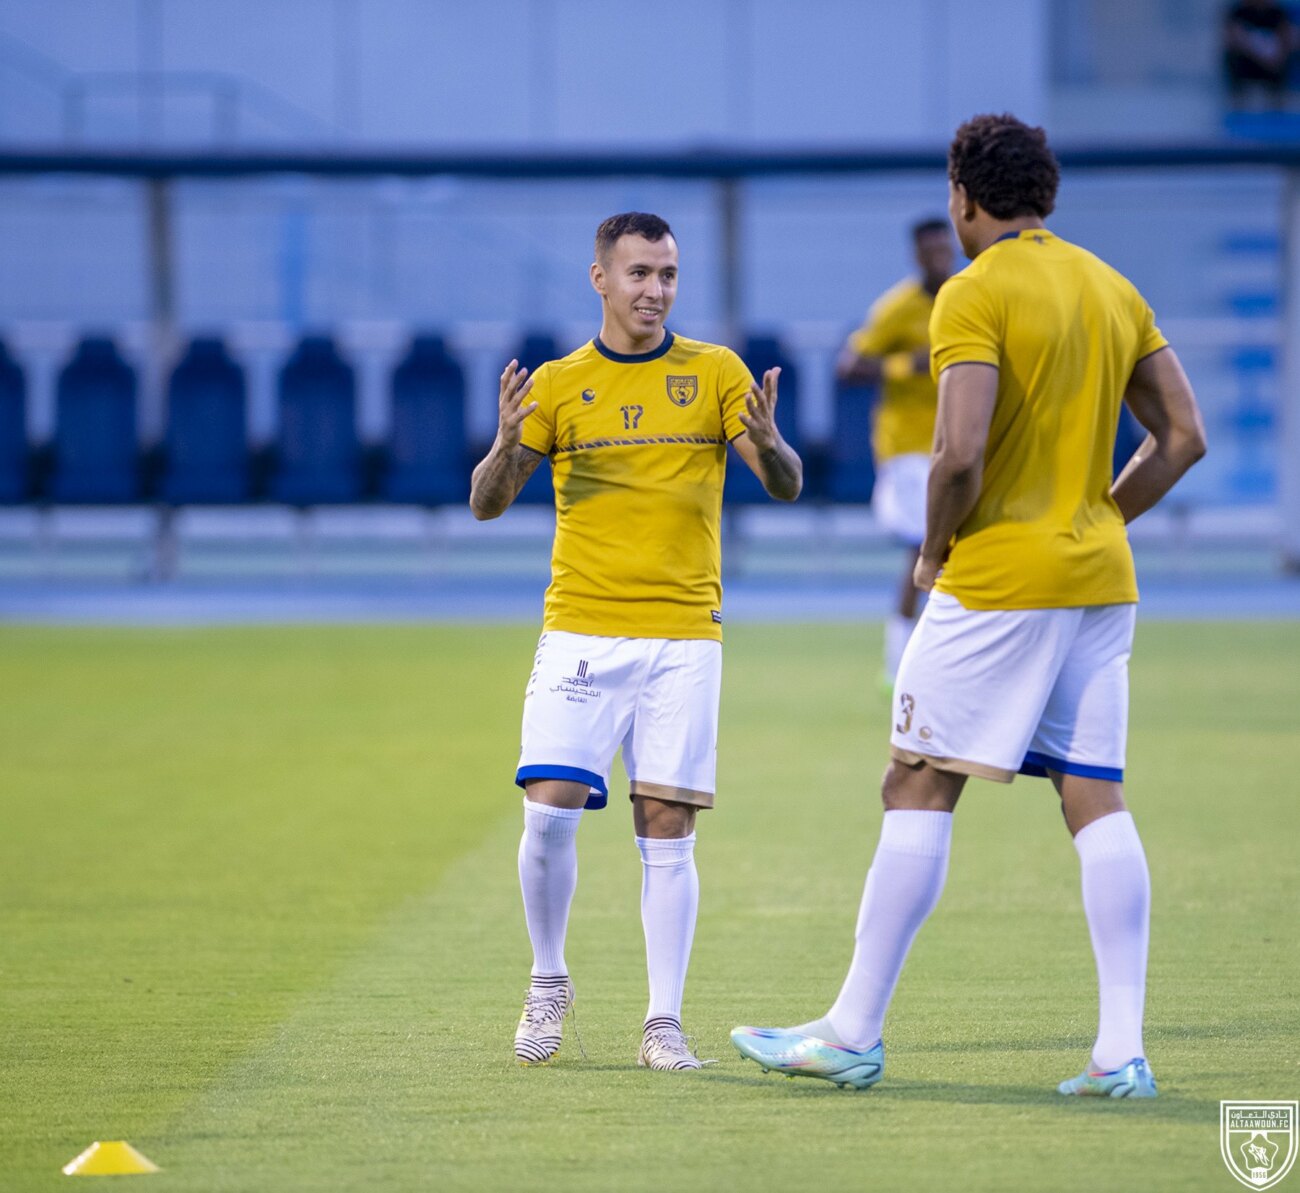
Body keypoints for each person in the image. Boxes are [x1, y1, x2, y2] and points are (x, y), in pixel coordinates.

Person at [731, 114, 1206, 1097]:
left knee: (914, 780)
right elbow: (1183, 436)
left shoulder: (971, 291)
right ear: (1047, 192)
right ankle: (1121, 1048)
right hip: (1098, 581)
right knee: (1092, 792)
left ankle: (852, 1031)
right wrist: (1097, 518)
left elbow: (956, 452)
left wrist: (935, 550)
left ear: (961, 196)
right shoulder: (1110, 285)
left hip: (997, 580)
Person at [470, 211, 802, 1071]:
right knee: (546, 816)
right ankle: (549, 981)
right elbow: (487, 501)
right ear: (600, 279)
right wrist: (507, 446)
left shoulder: (717, 372)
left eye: (668, 275)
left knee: (667, 828)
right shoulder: (556, 383)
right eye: (640, 274)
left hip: (684, 634)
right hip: (581, 626)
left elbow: (785, 482)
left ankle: (663, 1021)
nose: (655, 290)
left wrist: (770, 442)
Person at [837, 218, 955, 688]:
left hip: (958, 442)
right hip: (907, 447)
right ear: (917, 255)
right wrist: (907, 365)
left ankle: (936, 656)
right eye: (929, 251)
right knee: (924, 546)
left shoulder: (967, 298)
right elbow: (849, 365)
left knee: (952, 549)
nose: (938, 257)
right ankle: (900, 655)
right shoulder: (898, 308)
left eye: (943, 249)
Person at [1223, 0, 1296, 110]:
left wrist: (1276, 57)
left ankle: (1277, 99)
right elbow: (1233, 38)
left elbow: (1286, 39)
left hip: (1273, 63)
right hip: (1249, 60)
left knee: (1288, 57)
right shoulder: (1239, 12)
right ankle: (1237, 97)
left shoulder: (1277, 13)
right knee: (1231, 56)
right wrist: (1260, 56)